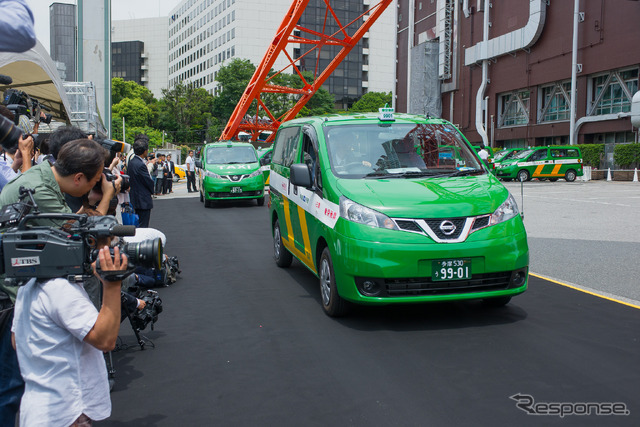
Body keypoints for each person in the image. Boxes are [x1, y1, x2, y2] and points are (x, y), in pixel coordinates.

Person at [0, 138, 119, 426]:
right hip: (15, 292)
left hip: (23, 285)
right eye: (93, 182)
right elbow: (80, 234)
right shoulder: (41, 191)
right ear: (78, 177)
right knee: (13, 384)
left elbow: (70, 226)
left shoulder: (43, 176)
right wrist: (112, 281)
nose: (94, 187)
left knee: (27, 374)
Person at [11, 245, 128, 426]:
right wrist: (112, 283)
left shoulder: (27, 286)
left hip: (38, 409)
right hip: (67, 411)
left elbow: (16, 341)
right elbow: (105, 339)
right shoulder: (60, 289)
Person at [128, 135, 154, 228]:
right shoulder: (140, 164)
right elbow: (148, 181)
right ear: (144, 151)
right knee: (143, 224)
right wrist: (152, 190)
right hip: (142, 198)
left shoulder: (132, 162)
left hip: (135, 197)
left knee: (137, 223)